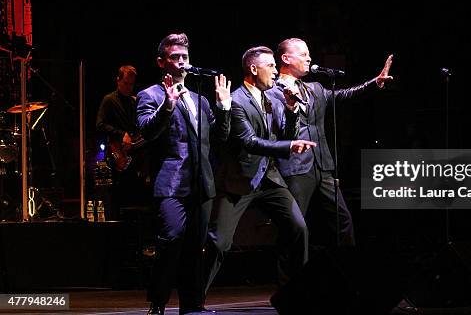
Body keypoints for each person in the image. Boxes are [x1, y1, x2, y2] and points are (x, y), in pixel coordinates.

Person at [202, 46, 316, 301]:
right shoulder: (238, 101)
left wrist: (290, 110)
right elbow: (249, 141)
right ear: (254, 69)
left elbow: (283, 135)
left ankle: (297, 295)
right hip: (239, 181)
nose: (276, 71)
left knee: (299, 229)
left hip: (269, 177)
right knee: (219, 242)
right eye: (271, 66)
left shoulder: (270, 98)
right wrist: (288, 147)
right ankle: (194, 298)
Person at [136, 33, 231, 315]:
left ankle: (192, 304)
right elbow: (147, 131)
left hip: (202, 183)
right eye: (175, 57)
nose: (181, 62)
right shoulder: (150, 95)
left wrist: (224, 107)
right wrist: (168, 105)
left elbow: (220, 138)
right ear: (161, 62)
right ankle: (158, 300)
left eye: (185, 58)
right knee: (173, 237)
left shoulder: (200, 100)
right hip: (171, 182)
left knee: (195, 247)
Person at [269, 37, 393, 248]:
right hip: (296, 167)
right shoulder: (272, 92)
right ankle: (289, 277)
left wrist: (375, 82)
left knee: (343, 221)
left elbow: (344, 95)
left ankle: (346, 271)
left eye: (308, 54)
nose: (309, 58)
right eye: (303, 54)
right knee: (294, 228)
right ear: (285, 58)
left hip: (323, 166)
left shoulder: (315, 88)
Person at [96, 65, 145, 218]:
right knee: (116, 193)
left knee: (134, 191)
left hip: (133, 152)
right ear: (118, 81)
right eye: (125, 83)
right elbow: (100, 125)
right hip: (116, 151)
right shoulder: (109, 100)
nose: (129, 87)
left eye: (131, 84)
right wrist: (121, 134)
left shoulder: (134, 101)